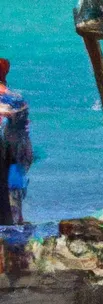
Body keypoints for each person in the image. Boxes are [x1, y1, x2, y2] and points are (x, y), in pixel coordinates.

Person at [0, 59, 33, 226]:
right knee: (15, 186)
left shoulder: (9, 98)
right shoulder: (17, 98)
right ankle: (16, 220)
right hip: (20, 145)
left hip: (10, 146)